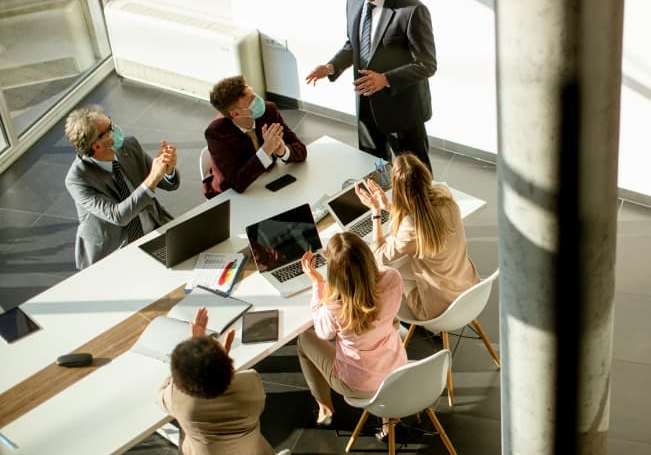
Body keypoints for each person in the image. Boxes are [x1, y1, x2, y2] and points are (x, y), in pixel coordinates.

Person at [305, 0, 436, 173]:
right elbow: (353, 44)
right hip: (366, 106)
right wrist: (331, 67)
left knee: (414, 175)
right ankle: (381, 191)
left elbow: (426, 64)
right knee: (374, 167)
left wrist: (385, 79)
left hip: (402, 110)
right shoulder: (353, 1)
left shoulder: (412, 10)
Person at [296, 231, 406, 436]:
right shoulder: (393, 279)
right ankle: (388, 416)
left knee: (304, 340)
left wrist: (317, 283)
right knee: (388, 324)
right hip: (397, 370)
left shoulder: (335, 306)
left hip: (359, 385)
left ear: (335, 272)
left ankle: (325, 411)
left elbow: (322, 332)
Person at [356, 152, 479, 320]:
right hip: (469, 288)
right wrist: (388, 207)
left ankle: (380, 322)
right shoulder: (446, 200)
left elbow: (377, 256)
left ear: (398, 190)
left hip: (438, 308)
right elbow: (422, 214)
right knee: (404, 261)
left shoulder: (411, 225)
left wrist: (376, 212)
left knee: (381, 271)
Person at [64, 105, 180, 270]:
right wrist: (154, 176)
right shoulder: (78, 179)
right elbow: (118, 215)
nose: (116, 128)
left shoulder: (129, 145)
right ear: (97, 146)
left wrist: (167, 170)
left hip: (154, 230)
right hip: (115, 252)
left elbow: (167, 184)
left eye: (111, 122)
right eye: (110, 128)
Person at [157, 307, 275, 455]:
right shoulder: (251, 383)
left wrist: (191, 360)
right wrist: (222, 365)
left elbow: (161, 397)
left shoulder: (177, 399)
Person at [202, 75, 307, 198]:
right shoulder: (216, 133)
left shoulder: (269, 110)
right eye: (250, 100)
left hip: (266, 181)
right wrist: (266, 150)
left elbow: (301, 149)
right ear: (235, 113)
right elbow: (237, 183)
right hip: (230, 194)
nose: (258, 100)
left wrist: (283, 151)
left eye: (253, 94)